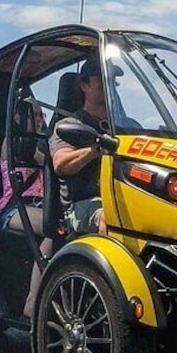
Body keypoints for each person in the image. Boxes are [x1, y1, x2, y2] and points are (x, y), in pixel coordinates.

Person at [0, 92, 51, 319]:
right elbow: (42, 158)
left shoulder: (42, 141)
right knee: (53, 229)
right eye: (35, 114)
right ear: (20, 117)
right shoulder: (13, 142)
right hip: (14, 207)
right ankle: (32, 301)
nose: (39, 119)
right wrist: (42, 135)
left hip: (42, 205)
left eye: (41, 115)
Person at [49, 58, 109, 236]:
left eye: (111, 80)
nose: (107, 84)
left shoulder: (125, 126)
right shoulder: (69, 125)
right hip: (81, 205)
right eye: (100, 79)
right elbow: (61, 164)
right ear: (84, 85)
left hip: (120, 196)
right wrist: (95, 150)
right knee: (110, 216)